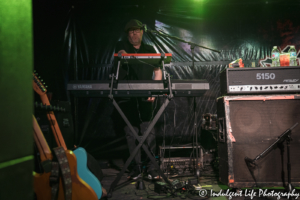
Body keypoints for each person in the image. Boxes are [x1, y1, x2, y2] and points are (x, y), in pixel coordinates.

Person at [114, 19, 162, 180]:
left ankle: (151, 169)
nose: (134, 34)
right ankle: (135, 168)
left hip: (145, 95)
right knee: (130, 133)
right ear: (128, 34)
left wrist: (155, 91)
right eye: (131, 31)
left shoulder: (150, 49)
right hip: (126, 97)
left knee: (149, 132)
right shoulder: (122, 45)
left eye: (137, 31)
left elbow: (158, 71)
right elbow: (121, 54)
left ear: (142, 32)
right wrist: (127, 56)